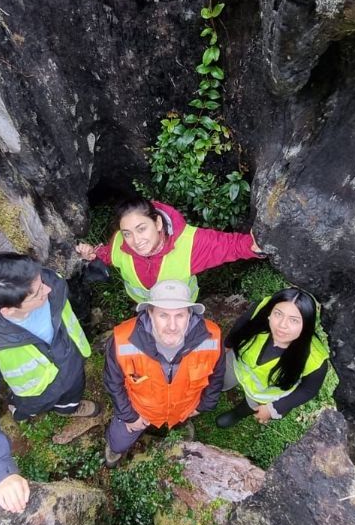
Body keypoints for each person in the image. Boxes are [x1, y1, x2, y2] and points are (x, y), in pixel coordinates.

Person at [0, 252, 100, 513]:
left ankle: (68, 407)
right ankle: (21, 410)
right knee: (32, 406)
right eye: (37, 293)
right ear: (9, 310)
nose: (47, 287)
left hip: (71, 361)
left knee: (72, 394)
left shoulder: (41, 280)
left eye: (41, 282)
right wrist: (2, 471)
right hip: (35, 390)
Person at [103, 280, 226, 466]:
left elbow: (217, 375)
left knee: (180, 421)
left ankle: (179, 422)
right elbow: (113, 383)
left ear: (190, 314)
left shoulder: (212, 336)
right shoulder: (122, 339)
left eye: (180, 315)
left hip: (184, 407)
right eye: (163, 315)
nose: (172, 326)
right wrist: (130, 417)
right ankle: (117, 446)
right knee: (118, 443)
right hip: (139, 409)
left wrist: (204, 405)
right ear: (149, 313)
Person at [76, 197, 262, 304]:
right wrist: (94, 253)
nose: (136, 241)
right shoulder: (120, 243)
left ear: (157, 222)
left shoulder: (190, 243)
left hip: (181, 311)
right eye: (127, 233)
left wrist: (254, 246)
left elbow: (230, 245)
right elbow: (111, 254)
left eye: (142, 229)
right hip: (146, 307)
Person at [216, 287, 330, 427]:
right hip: (238, 364)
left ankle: (237, 414)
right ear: (270, 313)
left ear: (306, 325)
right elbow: (242, 324)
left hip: (264, 392)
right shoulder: (261, 310)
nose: (282, 325)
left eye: (294, 320)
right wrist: (226, 346)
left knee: (252, 404)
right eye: (278, 314)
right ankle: (214, 390)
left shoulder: (316, 360)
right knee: (219, 378)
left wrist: (274, 408)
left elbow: (308, 390)